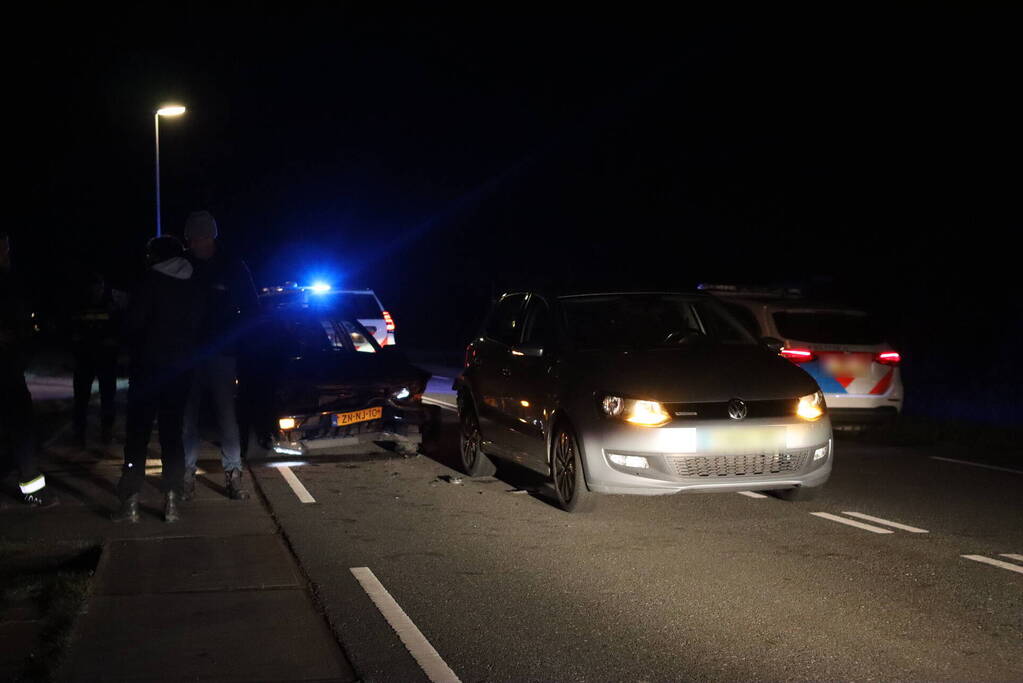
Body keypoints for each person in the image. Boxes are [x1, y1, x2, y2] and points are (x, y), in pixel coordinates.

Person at [112, 236, 203, 523]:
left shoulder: (149, 280)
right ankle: (173, 499)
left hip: (148, 367)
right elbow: (199, 323)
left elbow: (134, 323)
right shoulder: (193, 282)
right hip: (180, 368)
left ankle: (130, 500)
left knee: (138, 433)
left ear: (157, 256)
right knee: (171, 433)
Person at [181, 210, 258, 501]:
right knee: (186, 419)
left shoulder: (233, 266)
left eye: (201, 237)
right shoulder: (183, 266)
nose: (196, 243)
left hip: (222, 355)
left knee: (227, 417)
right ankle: (186, 475)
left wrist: (234, 339)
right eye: (192, 239)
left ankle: (233, 475)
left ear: (211, 237)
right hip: (187, 355)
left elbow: (251, 308)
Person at [0, 231, 58, 506]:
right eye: (4, 249)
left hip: (10, 366)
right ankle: (32, 487)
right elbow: (20, 325)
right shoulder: (8, 284)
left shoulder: (10, 284)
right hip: (7, 369)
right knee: (21, 427)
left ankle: (30, 483)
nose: (7, 254)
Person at [69, 272, 123, 447]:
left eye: (99, 287)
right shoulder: (81, 305)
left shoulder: (111, 305)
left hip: (104, 358)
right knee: (82, 398)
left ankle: (105, 431)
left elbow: (120, 330)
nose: (97, 290)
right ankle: (80, 433)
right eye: (94, 287)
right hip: (87, 358)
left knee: (107, 397)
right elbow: (72, 332)